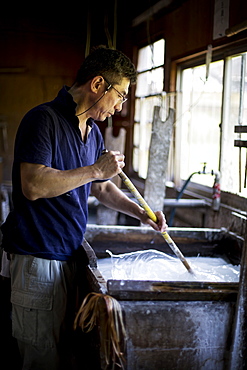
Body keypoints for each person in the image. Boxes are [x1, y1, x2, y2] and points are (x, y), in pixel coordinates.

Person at [0, 45, 167, 369]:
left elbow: (102, 187)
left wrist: (142, 214)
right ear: (97, 84)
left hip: (68, 256)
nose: (119, 107)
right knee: (40, 358)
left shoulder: (92, 132)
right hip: (39, 257)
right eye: (120, 96)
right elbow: (33, 185)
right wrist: (94, 170)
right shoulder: (42, 120)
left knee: (63, 354)